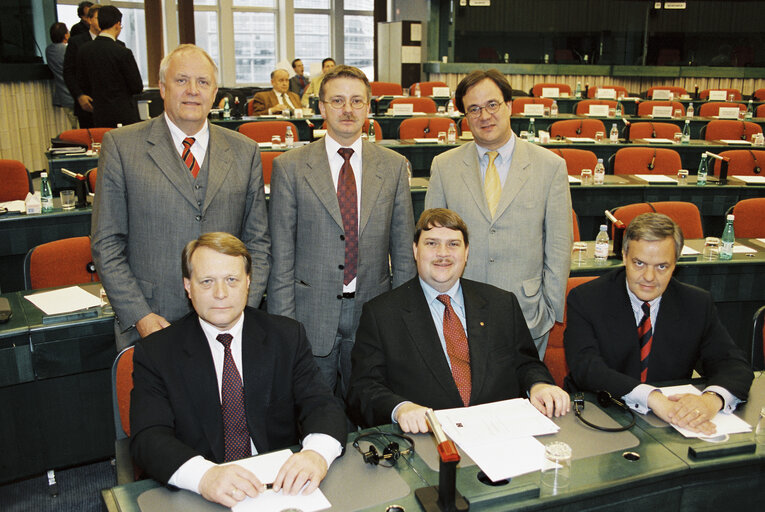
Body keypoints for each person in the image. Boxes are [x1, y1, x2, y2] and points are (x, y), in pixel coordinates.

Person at [130, 232, 346, 508]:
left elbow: (322, 405)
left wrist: (316, 454)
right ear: (188, 286)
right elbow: (148, 438)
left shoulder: (286, 336)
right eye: (207, 282)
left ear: (248, 282)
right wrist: (204, 477)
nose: (220, 294)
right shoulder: (157, 352)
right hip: (198, 493)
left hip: (278, 489)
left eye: (231, 280)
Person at [91, 44, 270, 350]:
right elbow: (106, 243)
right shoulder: (122, 147)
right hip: (152, 323)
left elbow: (259, 243)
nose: (192, 91)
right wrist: (140, 315)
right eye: (181, 80)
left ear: (215, 93)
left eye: (202, 82)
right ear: (162, 87)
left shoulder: (245, 151)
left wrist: (241, 305)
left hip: (229, 323)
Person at [348, 208, 570, 432]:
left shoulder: (501, 304)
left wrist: (539, 384)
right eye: (431, 243)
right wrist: (400, 409)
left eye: (453, 244)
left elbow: (526, 363)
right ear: (415, 250)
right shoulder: (382, 314)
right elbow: (362, 389)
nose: (442, 253)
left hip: (501, 434)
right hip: (428, 442)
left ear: (466, 252)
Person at [268, 65, 416, 398]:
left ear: (368, 107)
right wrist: (284, 326)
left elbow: (404, 253)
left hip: (373, 313)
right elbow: (281, 255)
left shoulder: (393, 167)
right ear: (321, 107)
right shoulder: (289, 167)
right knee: (313, 414)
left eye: (356, 101)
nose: (347, 110)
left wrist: (402, 321)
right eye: (337, 101)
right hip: (309, 316)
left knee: (369, 414)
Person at [425, 69, 572, 359]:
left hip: (527, 312)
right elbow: (431, 241)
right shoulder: (444, 166)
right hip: (459, 310)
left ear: (510, 106)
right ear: (465, 117)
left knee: (521, 397)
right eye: (474, 109)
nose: (484, 116)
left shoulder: (550, 166)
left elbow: (558, 244)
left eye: (492, 105)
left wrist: (551, 308)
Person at [564, 213, 753, 435]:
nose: (649, 277)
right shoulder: (587, 298)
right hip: (599, 416)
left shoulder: (696, 303)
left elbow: (733, 364)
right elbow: (586, 368)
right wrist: (653, 398)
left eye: (662, 266)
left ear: (676, 264)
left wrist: (711, 400)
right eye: (639, 263)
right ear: (624, 256)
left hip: (667, 426)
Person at [76, 5, 143, 127]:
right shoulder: (123, 52)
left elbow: (82, 82)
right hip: (123, 114)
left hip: (98, 113)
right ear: (117, 24)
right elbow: (137, 86)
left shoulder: (84, 50)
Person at [63, 4, 100, 128]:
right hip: (86, 101)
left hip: (109, 104)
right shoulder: (76, 42)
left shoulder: (116, 43)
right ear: (89, 19)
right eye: (97, 18)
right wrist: (79, 95)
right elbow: (68, 72)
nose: (102, 21)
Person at [45, 22, 77, 129]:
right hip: (74, 94)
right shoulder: (67, 50)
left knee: (73, 127)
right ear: (65, 35)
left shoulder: (49, 50)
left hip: (62, 96)